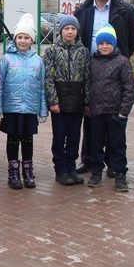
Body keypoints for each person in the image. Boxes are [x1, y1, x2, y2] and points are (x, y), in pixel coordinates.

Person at [74, 0, 134, 175]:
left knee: (114, 118)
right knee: (91, 117)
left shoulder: (124, 10)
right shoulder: (84, 10)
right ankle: (89, 160)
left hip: (115, 69)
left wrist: (120, 56)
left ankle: (114, 163)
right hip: (91, 68)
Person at [0, 13, 48, 189]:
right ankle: (13, 172)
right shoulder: (6, 59)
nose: (23, 41)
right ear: (15, 38)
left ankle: (28, 171)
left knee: (27, 140)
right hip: (12, 108)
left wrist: (42, 110)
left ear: (32, 40)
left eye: (26, 37)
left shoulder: (38, 61)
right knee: (12, 139)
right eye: (20, 37)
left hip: (30, 108)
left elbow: (41, 87)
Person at [87, 24, 134, 191]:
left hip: (116, 112)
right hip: (97, 111)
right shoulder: (93, 61)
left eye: (108, 43)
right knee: (96, 143)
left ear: (114, 44)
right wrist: (88, 104)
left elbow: (129, 88)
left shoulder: (122, 62)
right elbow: (88, 84)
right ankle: (96, 172)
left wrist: (124, 110)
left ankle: (120, 173)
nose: (104, 47)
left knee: (117, 144)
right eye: (101, 44)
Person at [43, 15, 90, 185]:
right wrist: (53, 101)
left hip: (77, 102)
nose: (70, 32)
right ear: (61, 30)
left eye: (73, 29)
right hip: (60, 102)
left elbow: (87, 78)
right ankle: (60, 169)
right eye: (66, 29)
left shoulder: (83, 51)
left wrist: (87, 100)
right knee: (59, 136)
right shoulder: (52, 51)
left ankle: (71, 167)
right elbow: (48, 78)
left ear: (77, 31)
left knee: (74, 137)